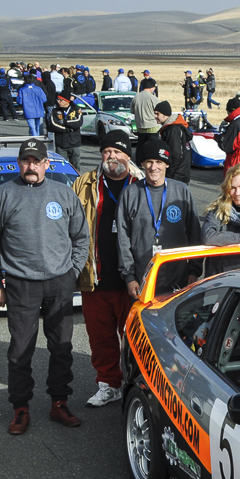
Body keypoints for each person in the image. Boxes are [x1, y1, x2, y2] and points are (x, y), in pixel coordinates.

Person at [0, 139, 89, 434]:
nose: (31, 166)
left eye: (36, 161)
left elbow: (81, 236)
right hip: (20, 283)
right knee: (20, 349)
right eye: (26, 161)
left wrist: (74, 269)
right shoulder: (2, 195)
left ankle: (59, 403)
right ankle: (20, 407)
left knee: (62, 347)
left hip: (59, 282)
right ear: (19, 163)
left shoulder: (63, 193)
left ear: (46, 164)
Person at [73, 131, 143, 408]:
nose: (112, 156)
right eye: (107, 151)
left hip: (133, 281)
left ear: (128, 155)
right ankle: (108, 384)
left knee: (136, 339)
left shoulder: (140, 183)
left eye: (118, 151)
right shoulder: (83, 183)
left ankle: (137, 385)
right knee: (100, 338)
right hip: (95, 278)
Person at [116, 138, 203, 297]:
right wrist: (129, 277)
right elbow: (123, 238)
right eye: (149, 162)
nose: (153, 167)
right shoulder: (130, 194)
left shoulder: (181, 191)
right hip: (142, 281)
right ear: (142, 164)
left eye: (159, 162)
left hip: (179, 280)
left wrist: (194, 271)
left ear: (167, 164)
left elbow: (194, 234)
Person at [154, 101, 193, 184]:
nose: (155, 116)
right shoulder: (171, 127)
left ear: (165, 114)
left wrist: (167, 175)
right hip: (180, 174)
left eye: (157, 114)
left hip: (177, 176)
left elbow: (176, 155)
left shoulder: (172, 129)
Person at [45, 88, 83, 171]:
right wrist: (68, 129)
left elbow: (78, 123)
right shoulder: (55, 111)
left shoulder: (76, 110)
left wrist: (64, 122)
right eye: (58, 100)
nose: (59, 102)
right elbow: (53, 124)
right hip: (61, 144)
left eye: (61, 100)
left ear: (67, 101)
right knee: (61, 167)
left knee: (75, 167)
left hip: (74, 143)